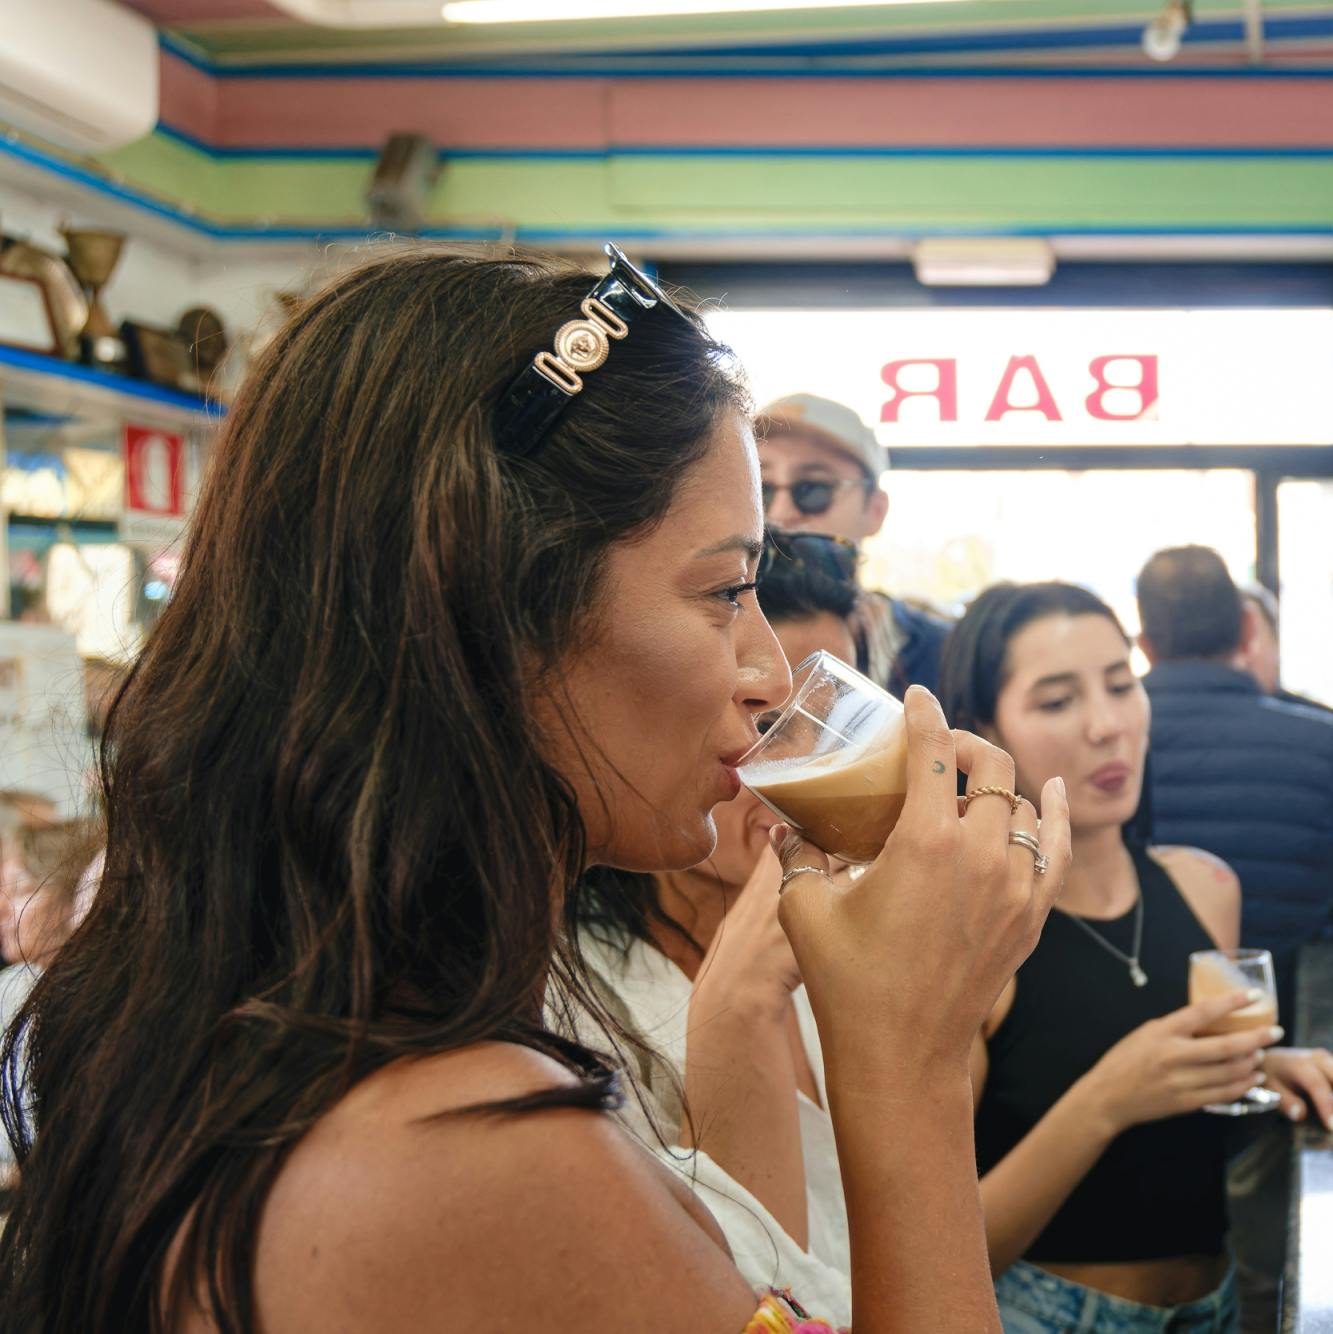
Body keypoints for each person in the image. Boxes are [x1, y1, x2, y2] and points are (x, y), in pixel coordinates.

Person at [0, 244, 1071, 1334]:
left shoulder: (297, 1028)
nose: (765, 671)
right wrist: (906, 1061)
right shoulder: (466, 1149)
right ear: (498, 609)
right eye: (724, 590)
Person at [939, 582, 1333, 1334]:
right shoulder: (968, 937)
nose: (1107, 726)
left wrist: (1263, 1068)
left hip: (1217, 1304)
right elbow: (941, 1257)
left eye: (1122, 685)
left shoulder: (1206, 887)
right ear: (983, 734)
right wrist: (1107, 1100)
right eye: (1058, 701)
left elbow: (1184, 1123)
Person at [572, 528, 865, 1320]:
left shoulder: (834, 934)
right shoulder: (573, 1003)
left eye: (829, 726)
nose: (797, 769)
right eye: (768, 727)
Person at [1133, 547, 1333, 1030]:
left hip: (1138, 1017)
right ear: (1250, 629)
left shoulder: (1108, 742)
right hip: (1290, 1018)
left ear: (1144, 644)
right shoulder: (1323, 739)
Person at [756, 392, 952, 696]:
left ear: (875, 510)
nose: (779, 513)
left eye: (813, 489)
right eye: (760, 490)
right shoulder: (711, 645)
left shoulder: (949, 654)